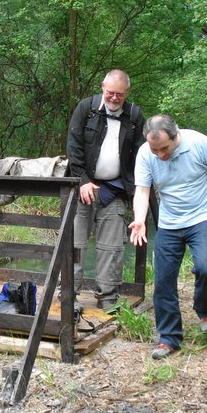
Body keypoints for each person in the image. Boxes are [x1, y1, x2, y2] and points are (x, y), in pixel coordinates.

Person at [129, 114, 207, 359]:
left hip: (202, 216)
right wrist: (139, 220)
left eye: (164, 148)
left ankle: (205, 308)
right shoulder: (147, 153)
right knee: (163, 280)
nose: (160, 155)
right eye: (155, 150)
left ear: (176, 135)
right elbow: (143, 191)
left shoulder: (199, 143)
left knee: (206, 267)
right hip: (169, 222)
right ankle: (169, 338)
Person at [66, 69, 145, 313]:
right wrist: (83, 181)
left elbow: (141, 155)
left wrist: (137, 190)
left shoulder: (134, 115)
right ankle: (70, 296)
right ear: (102, 87)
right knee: (76, 245)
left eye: (119, 94)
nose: (114, 98)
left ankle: (108, 297)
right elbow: (73, 145)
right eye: (110, 92)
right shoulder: (85, 108)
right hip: (83, 188)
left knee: (112, 248)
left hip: (115, 190)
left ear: (126, 93)